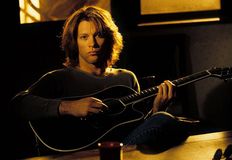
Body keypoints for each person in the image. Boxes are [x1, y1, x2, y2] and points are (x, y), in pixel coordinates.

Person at [11, 6, 189, 158]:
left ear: (110, 39)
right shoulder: (59, 78)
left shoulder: (126, 77)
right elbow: (18, 104)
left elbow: (138, 128)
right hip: (76, 154)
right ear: (74, 42)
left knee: (172, 123)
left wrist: (158, 110)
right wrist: (69, 107)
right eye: (84, 37)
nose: (93, 44)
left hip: (121, 151)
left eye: (99, 36)